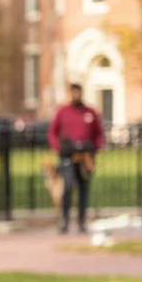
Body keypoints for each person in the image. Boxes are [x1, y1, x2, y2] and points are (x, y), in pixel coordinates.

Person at [46, 83, 105, 234]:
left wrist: (94, 149)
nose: (75, 95)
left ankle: (82, 221)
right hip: (68, 157)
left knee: (83, 190)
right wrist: (59, 148)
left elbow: (99, 135)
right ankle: (64, 221)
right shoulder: (63, 112)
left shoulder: (90, 112)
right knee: (67, 187)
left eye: (78, 93)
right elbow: (53, 133)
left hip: (85, 158)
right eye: (73, 93)